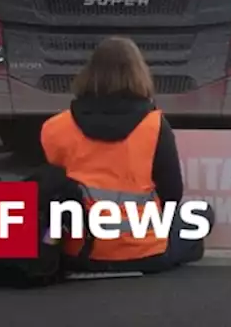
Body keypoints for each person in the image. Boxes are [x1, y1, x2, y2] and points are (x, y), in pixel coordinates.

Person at [40, 36, 213, 273]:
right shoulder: (154, 126)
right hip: (144, 252)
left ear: (89, 73)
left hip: (78, 252)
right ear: (138, 74)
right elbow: (172, 195)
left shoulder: (55, 127)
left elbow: (48, 193)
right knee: (202, 214)